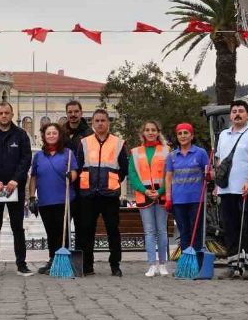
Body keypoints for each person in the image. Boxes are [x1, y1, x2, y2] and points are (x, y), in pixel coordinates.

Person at [0, 102, 34, 276]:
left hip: (14, 188)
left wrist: (15, 180)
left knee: (18, 226)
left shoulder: (21, 135)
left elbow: (26, 159)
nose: (4, 116)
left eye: (7, 113)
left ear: (12, 114)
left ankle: (22, 264)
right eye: (1, 113)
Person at [215, 100, 248, 280]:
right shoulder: (223, 135)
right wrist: (217, 185)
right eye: (234, 111)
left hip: (247, 189)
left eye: (241, 111)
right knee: (230, 228)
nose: (237, 114)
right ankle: (233, 264)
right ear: (230, 115)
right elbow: (219, 161)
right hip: (226, 190)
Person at [75, 108, 130, 277]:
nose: (100, 123)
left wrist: (111, 181)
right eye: (97, 120)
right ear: (92, 123)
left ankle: (115, 265)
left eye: (103, 120)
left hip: (109, 195)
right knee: (87, 231)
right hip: (88, 194)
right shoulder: (84, 142)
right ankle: (87, 265)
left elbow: (123, 169)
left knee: (112, 230)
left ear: (108, 123)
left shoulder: (119, 143)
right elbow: (78, 166)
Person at [28, 122, 79, 274]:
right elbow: (34, 178)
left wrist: (72, 175)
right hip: (45, 201)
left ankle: (64, 260)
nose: (51, 136)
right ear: (44, 136)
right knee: (50, 232)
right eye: (48, 133)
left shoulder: (68, 154)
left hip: (64, 200)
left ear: (59, 135)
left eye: (54, 133)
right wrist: (31, 197)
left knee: (62, 232)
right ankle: (52, 260)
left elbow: (75, 171)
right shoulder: (38, 156)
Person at [128, 120, 170, 277]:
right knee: (149, 231)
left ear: (158, 132)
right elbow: (132, 174)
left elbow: (169, 174)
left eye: (153, 129)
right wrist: (144, 191)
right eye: (147, 130)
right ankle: (152, 264)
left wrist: (160, 192)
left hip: (161, 195)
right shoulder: (135, 152)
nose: (151, 132)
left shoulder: (167, 151)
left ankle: (163, 264)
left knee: (162, 230)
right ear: (143, 133)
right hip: (144, 196)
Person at [164, 123, 211, 263]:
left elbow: (208, 173)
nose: (183, 136)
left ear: (192, 135)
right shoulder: (172, 156)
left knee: (196, 232)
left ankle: (198, 262)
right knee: (184, 233)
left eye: (186, 133)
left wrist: (209, 175)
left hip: (196, 199)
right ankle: (186, 263)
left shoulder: (200, 153)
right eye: (180, 133)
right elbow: (168, 177)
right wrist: (168, 197)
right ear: (177, 136)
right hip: (179, 200)